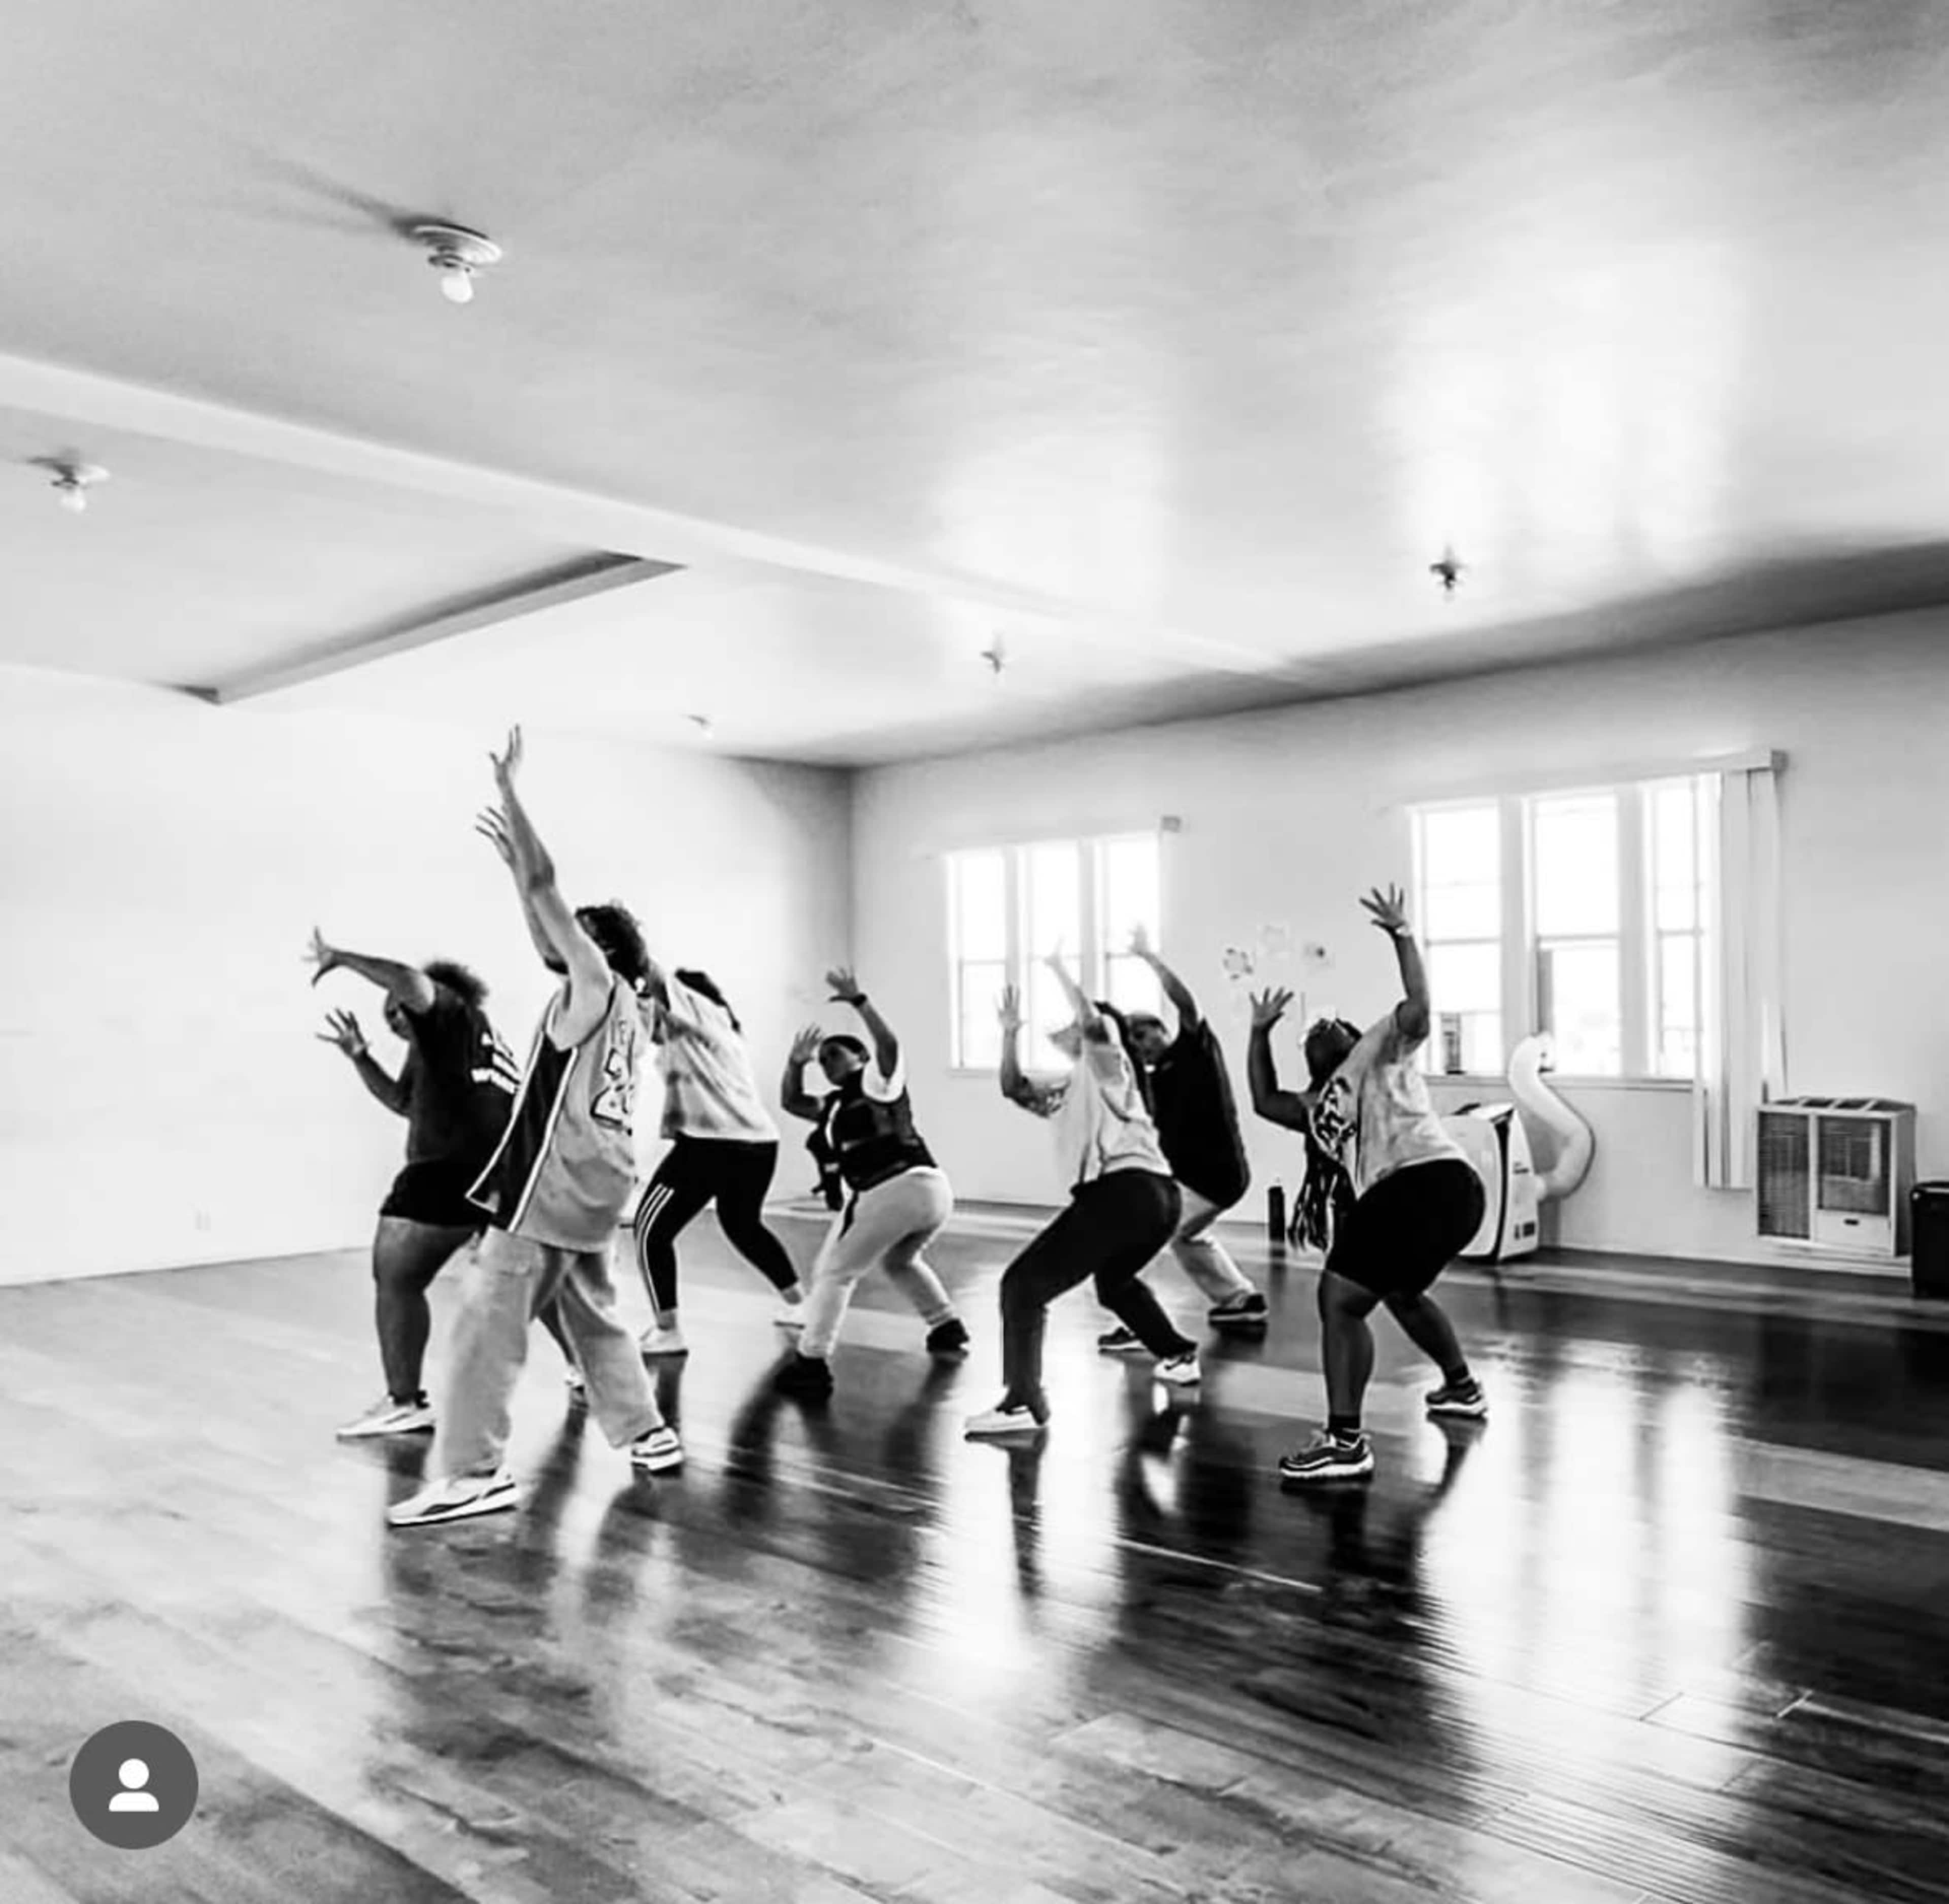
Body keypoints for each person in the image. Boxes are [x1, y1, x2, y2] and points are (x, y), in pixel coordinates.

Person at [388, 727, 682, 1529]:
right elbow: (541, 908)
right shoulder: (623, 1004)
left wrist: (515, 800)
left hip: (552, 1183)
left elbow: (552, 892)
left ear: (598, 948)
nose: (551, 936)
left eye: (570, 931)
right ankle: (647, 1432)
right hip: (597, 1185)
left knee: (487, 1319)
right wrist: (514, 868)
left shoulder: (595, 985)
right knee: (589, 1311)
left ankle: (473, 1469)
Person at [1246, 883, 1489, 1485]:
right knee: (1402, 1293)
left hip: (1427, 1178)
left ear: (1353, 1036)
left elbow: (1420, 1004)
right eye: (1313, 1033)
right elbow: (1263, 1100)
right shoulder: (1318, 1102)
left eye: (1331, 1025)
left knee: (1339, 1299)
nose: (1321, 1027)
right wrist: (1257, 1032)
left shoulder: (1382, 1049)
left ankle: (1346, 1440)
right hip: (1440, 1195)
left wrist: (1402, 936)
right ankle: (1462, 1388)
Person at [308, 935, 581, 1437]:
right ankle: (583, 1367)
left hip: (449, 1170)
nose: (392, 1015)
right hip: (503, 1172)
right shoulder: (459, 1041)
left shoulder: (451, 1014)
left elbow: (411, 981)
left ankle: (405, 1401)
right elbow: (402, 1101)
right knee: (527, 1281)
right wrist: (360, 1056)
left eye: (395, 1007)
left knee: (396, 1276)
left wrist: (343, 957)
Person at [966, 951, 1199, 1440]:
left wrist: (1058, 969)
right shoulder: (1072, 1088)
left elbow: (1095, 1026)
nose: (1070, 1028)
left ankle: (1022, 1402)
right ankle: (1177, 1354)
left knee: (1022, 1287)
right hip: (1158, 1198)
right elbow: (1013, 1088)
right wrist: (1010, 1033)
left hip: (1126, 1192)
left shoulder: (1110, 1066)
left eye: (1076, 1023)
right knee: (1114, 1283)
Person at [771, 967, 968, 1398]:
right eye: (822, 1061)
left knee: (836, 1273)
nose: (826, 1065)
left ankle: (811, 1362)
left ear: (860, 1059)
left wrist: (859, 1001)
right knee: (900, 1261)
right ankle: (946, 1326)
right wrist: (794, 1063)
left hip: (897, 1187)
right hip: (926, 1191)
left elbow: (891, 1045)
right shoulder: (836, 1103)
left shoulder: (876, 1082)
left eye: (834, 1057)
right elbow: (791, 1101)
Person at [1100, 925, 1267, 1352]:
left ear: (1161, 1029)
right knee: (1185, 1237)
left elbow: (1185, 1003)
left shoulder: (1194, 1050)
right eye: (1133, 1045)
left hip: (1211, 1176)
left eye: (1143, 1037)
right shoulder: (1155, 1081)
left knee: (1139, 1238)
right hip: (1206, 1177)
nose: (1142, 1048)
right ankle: (1240, 1299)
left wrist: (1150, 958)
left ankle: (1139, 1322)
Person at [631, 965, 807, 1357]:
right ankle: (799, 1304)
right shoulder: (719, 1034)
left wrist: (623, 953)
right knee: (742, 1225)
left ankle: (668, 1331)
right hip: (758, 1142)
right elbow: (646, 1025)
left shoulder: (700, 1013)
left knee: (648, 1231)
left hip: (713, 1144)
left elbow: (653, 977)